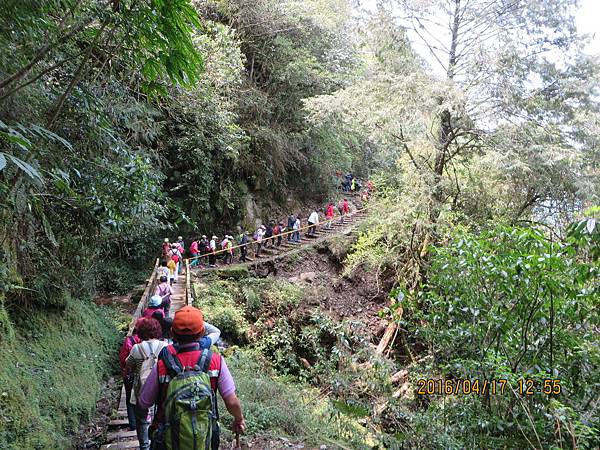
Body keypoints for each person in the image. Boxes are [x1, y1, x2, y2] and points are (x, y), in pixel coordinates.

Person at [137, 306, 245, 450]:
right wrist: (238, 419)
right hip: (204, 437)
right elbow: (232, 401)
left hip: (168, 439)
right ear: (201, 333)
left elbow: (144, 403)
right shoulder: (216, 362)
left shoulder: (162, 366)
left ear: (172, 334)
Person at [125, 318, 168, 450]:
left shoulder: (136, 348)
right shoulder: (165, 346)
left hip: (141, 388)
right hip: (162, 388)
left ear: (141, 332)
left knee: (142, 420)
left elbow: (128, 364)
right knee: (162, 416)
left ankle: (144, 446)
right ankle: (160, 442)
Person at [118, 318, 143, 431]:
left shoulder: (129, 341)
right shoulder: (147, 342)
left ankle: (133, 424)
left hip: (130, 375)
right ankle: (144, 420)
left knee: (129, 399)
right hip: (143, 374)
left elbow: (123, 360)